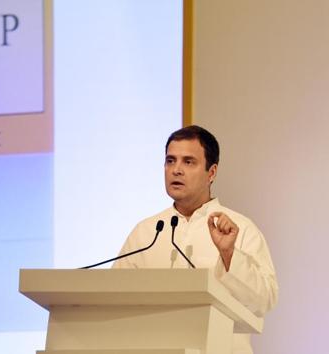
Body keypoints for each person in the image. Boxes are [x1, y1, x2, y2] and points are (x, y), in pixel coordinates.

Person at [113, 125, 278, 354]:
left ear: (212, 173)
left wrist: (229, 255)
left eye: (188, 162)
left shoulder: (241, 229)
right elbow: (113, 300)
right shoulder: (145, 232)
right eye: (170, 161)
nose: (176, 170)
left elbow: (264, 301)